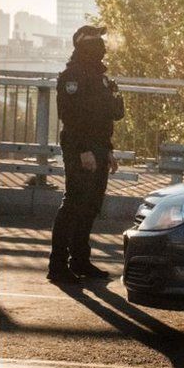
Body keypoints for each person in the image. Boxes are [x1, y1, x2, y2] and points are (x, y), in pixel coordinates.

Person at [47, 25, 124, 284]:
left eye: (101, 40)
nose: (101, 45)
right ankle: (57, 265)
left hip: (99, 145)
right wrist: (83, 151)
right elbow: (70, 117)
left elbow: (106, 117)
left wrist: (108, 150)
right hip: (80, 145)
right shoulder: (73, 76)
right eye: (95, 40)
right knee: (74, 203)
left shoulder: (99, 77)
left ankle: (80, 260)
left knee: (90, 206)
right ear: (82, 45)